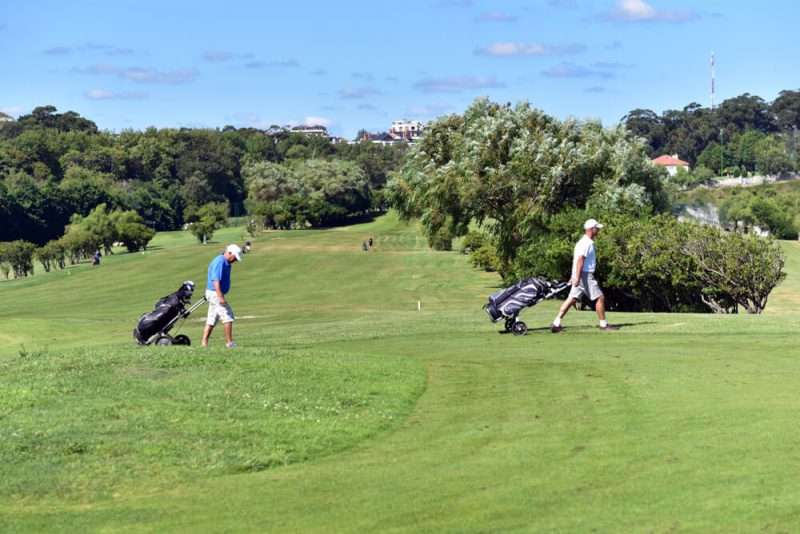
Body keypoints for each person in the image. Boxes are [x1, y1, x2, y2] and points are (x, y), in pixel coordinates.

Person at [551, 219, 619, 333]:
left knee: (572, 299)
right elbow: (580, 260)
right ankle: (603, 324)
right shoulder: (587, 243)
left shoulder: (582, 242)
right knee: (600, 297)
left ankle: (556, 324)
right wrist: (577, 277)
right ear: (591, 229)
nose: (598, 231)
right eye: (597, 229)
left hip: (580, 274)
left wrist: (574, 276)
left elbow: (578, 261)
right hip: (585, 275)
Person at [201, 244, 242, 348]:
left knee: (212, 319)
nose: (235, 260)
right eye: (235, 257)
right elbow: (216, 281)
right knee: (228, 316)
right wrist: (221, 298)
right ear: (229, 253)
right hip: (215, 293)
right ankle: (229, 343)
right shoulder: (220, 261)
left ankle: (203, 343)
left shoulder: (226, 262)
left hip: (215, 293)